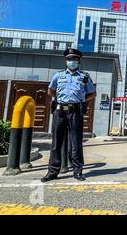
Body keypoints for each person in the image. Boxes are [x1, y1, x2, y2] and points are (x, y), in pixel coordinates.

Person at [41, 48, 96, 182]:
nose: (72, 62)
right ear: (66, 61)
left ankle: (77, 171)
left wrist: (80, 99)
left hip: (75, 112)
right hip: (60, 111)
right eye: (69, 59)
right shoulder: (58, 76)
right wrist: (61, 99)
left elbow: (93, 94)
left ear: (79, 61)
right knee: (56, 142)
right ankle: (52, 172)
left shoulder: (84, 77)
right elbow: (51, 91)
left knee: (76, 142)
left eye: (75, 59)